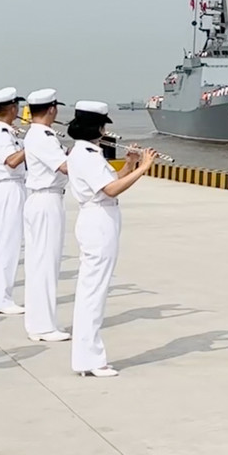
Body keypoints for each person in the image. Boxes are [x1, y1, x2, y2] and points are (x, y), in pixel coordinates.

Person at [66, 101, 156, 377]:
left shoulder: (86, 152)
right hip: (98, 221)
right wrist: (144, 168)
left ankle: (87, 358)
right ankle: (90, 360)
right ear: (97, 127)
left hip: (99, 218)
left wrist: (129, 164)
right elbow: (111, 189)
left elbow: (110, 180)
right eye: (103, 125)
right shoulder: (87, 155)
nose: (106, 130)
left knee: (94, 289)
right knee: (94, 292)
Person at [21, 89, 69, 342]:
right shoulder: (44, 136)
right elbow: (64, 166)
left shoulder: (37, 134)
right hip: (46, 199)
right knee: (46, 264)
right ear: (51, 109)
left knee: (39, 262)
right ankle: (43, 325)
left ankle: (39, 322)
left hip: (41, 198)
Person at [0, 87, 26, 315]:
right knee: (6, 244)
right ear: (12, 109)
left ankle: (2, 295)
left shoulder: (6, 132)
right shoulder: (1, 134)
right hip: (8, 187)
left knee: (8, 243)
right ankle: (0, 299)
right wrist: (30, 146)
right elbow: (11, 161)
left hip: (12, 188)